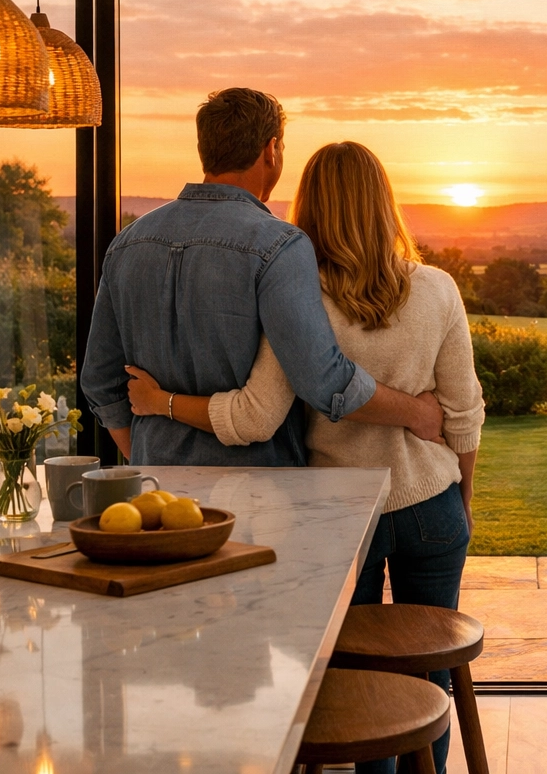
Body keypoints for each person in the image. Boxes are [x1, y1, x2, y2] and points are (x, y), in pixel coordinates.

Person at [125, 141, 483, 774]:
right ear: (385, 201)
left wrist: (161, 401)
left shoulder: (300, 301)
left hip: (342, 517)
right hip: (432, 505)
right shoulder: (437, 289)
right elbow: (464, 414)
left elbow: (253, 417)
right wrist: (463, 500)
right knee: (434, 674)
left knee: (365, 682)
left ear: (310, 204)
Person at [82, 88, 444, 467]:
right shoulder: (279, 246)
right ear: (271, 150)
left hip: (156, 488)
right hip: (257, 491)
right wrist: (417, 413)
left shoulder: (127, 242)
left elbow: (100, 382)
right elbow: (323, 379)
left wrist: (144, 453)